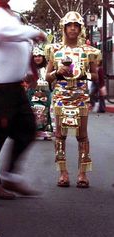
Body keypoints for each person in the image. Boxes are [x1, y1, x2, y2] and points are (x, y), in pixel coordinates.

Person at [0, 0, 46, 199]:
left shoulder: (10, 14)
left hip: (15, 87)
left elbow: (20, 43)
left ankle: (11, 176)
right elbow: (1, 32)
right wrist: (34, 32)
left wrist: (29, 69)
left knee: (28, 128)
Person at [45, 11, 101, 188]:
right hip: (61, 97)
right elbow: (47, 77)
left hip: (81, 97)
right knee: (60, 136)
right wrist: (57, 72)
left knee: (82, 136)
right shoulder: (54, 50)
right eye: (70, 25)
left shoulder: (88, 51)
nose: (73, 29)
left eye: (76, 25)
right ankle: (63, 173)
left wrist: (83, 74)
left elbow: (96, 76)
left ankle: (82, 174)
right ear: (64, 28)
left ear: (80, 29)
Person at [26, 47, 53, 140]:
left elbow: (52, 80)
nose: (37, 58)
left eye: (39, 56)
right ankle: (33, 131)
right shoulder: (28, 68)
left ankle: (47, 131)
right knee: (33, 111)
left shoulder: (48, 68)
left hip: (46, 92)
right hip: (32, 92)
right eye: (35, 56)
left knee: (46, 111)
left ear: (43, 57)